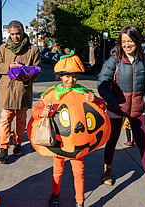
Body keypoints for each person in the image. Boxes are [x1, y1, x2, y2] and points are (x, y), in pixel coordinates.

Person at [97, 25, 145, 197]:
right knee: (112, 140)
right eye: (124, 41)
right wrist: (114, 102)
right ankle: (107, 169)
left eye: (130, 41)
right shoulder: (114, 60)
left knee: (144, 144)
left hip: (137, 108)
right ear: (120, 43)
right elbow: (102, 85)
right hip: (117, 108)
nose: (127, 44)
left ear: (136, 40)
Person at [30, 50, 106, 207]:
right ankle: (55, 195)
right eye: (66, 76)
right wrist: (42, 113)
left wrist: (97, 100)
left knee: (79, 173)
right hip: (58, 142)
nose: (70, 80)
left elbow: (102, 109)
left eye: (74, 76)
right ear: (60, 76)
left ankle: (80, 202)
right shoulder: (52, 94)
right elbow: (35, 111)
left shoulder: (84, 93)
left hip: (78, 143)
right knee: (57, 171)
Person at [0, 20, 41, 163]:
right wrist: (8, 66)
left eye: (18, 34)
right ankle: (3, 147)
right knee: (5, 119)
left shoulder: (33, 50)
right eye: (13, 34)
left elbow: (38, 69)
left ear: (22, 31)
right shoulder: (3, 48)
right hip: (7, 90)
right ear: (9, 33)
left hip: (23, 90)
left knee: (21, 120)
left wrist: (28, 76)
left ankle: (18, 144)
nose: (15, 37)